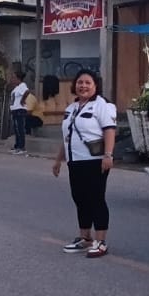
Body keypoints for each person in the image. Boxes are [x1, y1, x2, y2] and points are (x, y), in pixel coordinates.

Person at [51, 69, 116, 259]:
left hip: (95, 161)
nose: (83, 86)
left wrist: (108, 155)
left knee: (96, 198)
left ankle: (101, 241)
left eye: (88, 82)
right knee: (80, 198)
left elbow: (110, 131)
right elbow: (67, 136)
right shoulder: (72, 108)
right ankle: (84, 237)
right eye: (80, 82)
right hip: (75, 161)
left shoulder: (102, 105)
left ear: (95, 86)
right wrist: (58, 160)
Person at [8, 68, 31, 155]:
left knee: (20, 129)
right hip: (15, 110)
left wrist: (22, 100)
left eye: (14, 78)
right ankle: (17, 145)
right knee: (16, 129)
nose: (13, 79)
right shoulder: (16, 88)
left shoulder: (22, 85)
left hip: (19, 110)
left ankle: (22, 147)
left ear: (18, 78)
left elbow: (27, 92)